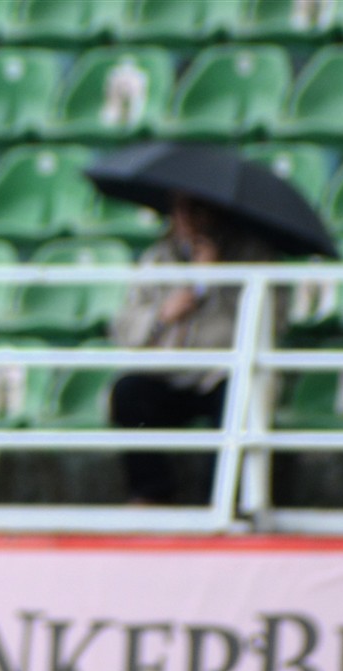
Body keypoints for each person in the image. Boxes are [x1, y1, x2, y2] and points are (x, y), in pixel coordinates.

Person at [108, 193, 281, 504]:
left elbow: (268, 326)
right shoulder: (156, 258)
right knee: (129, 392)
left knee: (237, 397)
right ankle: (152, 494)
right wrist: (163, 314)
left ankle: (221, 500)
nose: (186, 218)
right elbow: (123, 328)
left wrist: (217, 279)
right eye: (179, 209)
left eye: (196, 208)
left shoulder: (254, 257)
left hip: (222, 373)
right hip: (169, 373)